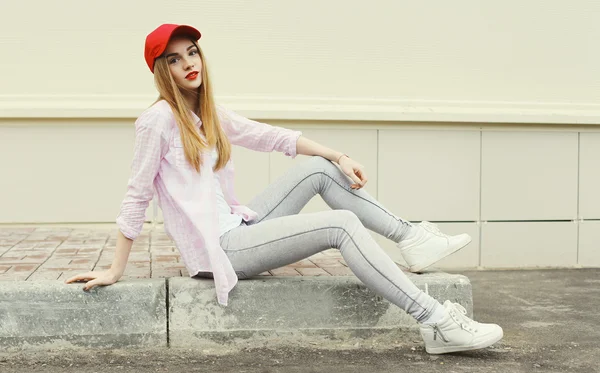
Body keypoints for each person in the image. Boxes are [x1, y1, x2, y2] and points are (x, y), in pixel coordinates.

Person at [66, 23, 503, 354]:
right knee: (342, 225)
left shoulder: (206, 110)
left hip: (237, 226)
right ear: (163, 71)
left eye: (192, 52)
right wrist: (115, 269)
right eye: (175, 59)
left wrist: (338, 155)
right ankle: (436, 321)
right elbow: (136, 194)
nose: (188, 63)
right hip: (219, 249)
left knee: (318, 169)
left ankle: (412, 240)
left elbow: (270, 136)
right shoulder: (157, 121)